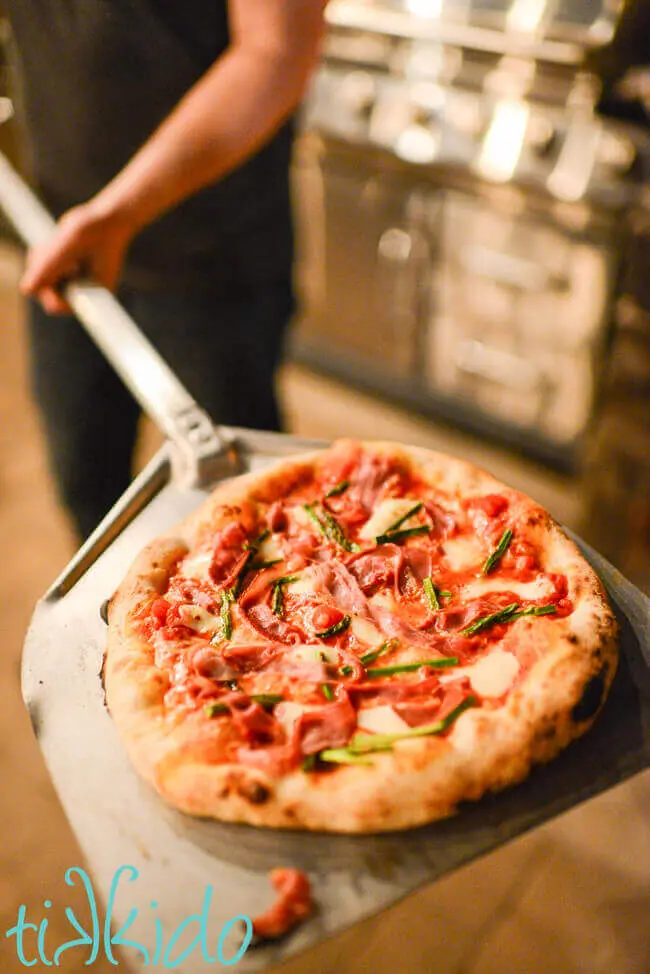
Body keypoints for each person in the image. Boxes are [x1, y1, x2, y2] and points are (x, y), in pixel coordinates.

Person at [5, 0, 325, 541]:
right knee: (87, 487)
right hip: (61, 246)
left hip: (213, 264)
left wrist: (119, 212)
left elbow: (276, 50)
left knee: (249, 524)